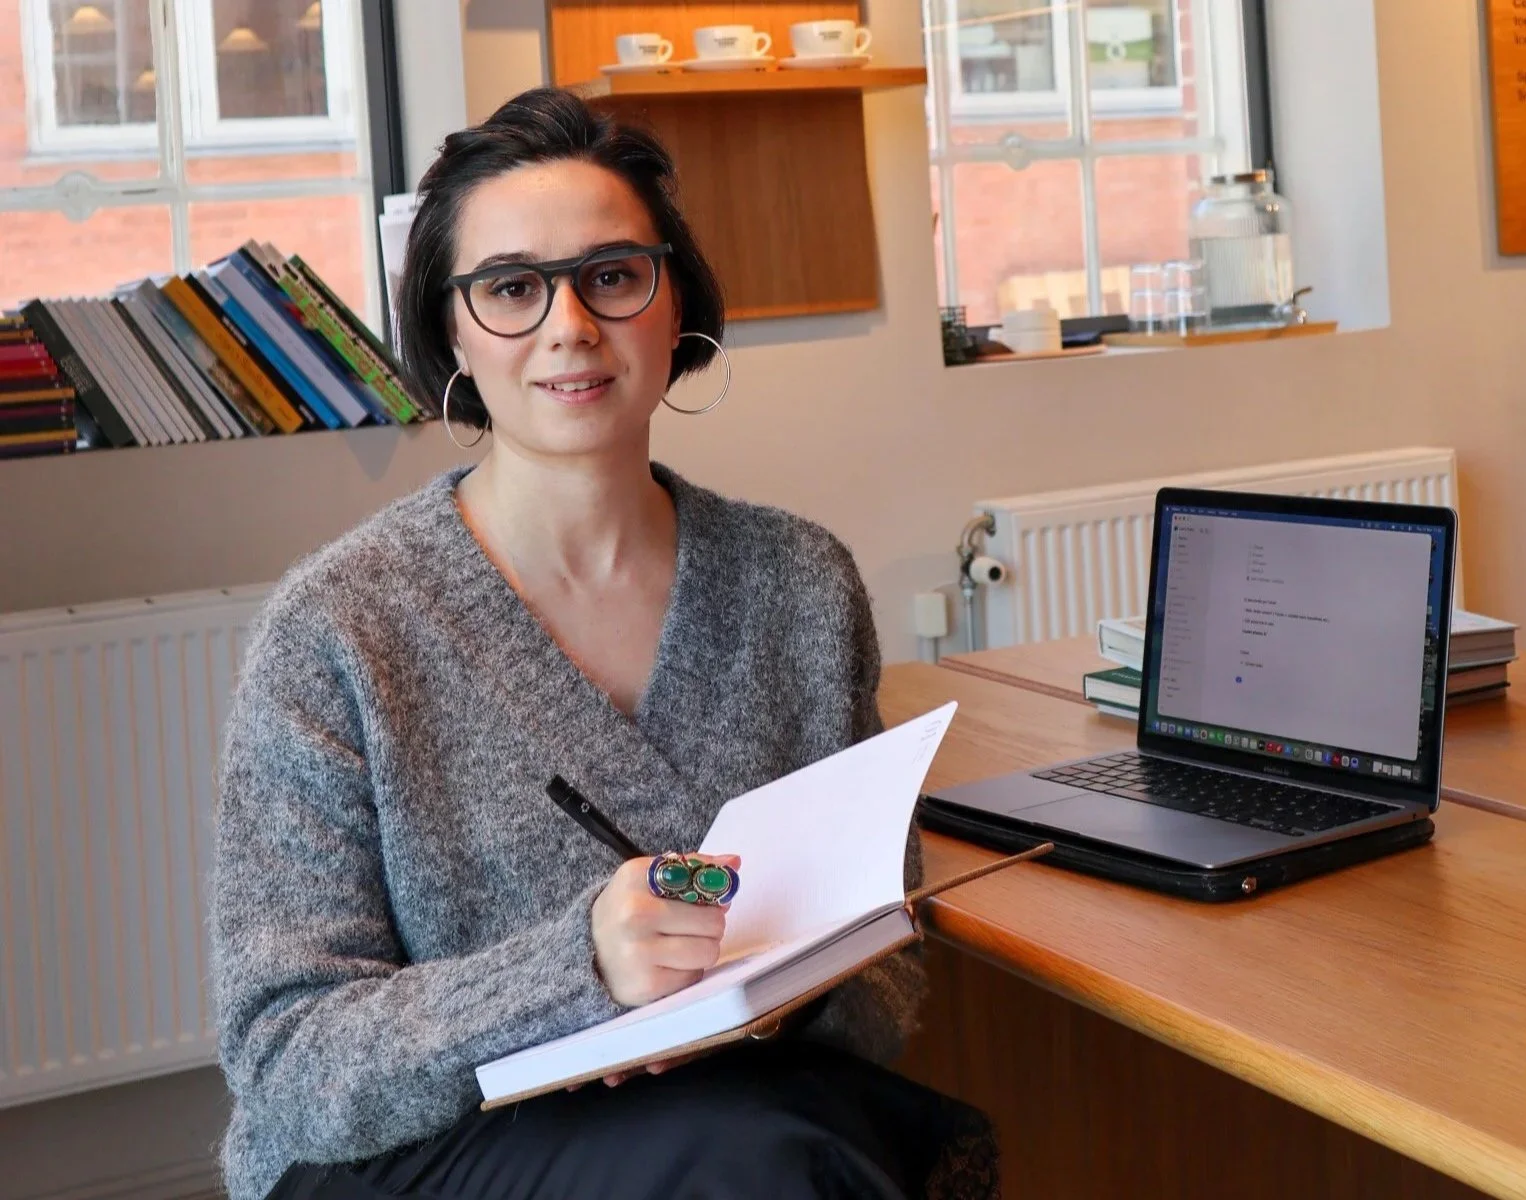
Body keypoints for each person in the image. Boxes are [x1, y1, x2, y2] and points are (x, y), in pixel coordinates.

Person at [210, 87, 998, 1200]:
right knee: (776, 1163)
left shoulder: (800, 584)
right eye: (511, 289)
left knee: (782, 1149)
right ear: (451, 331)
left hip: (735, 1107)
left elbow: (886, 972)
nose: (569, 326)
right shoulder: (340, 627)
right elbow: (287, 1062)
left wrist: (773, 987)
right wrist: (582, 970)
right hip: (421, 1147)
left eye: (612, 276)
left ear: (675, 306)